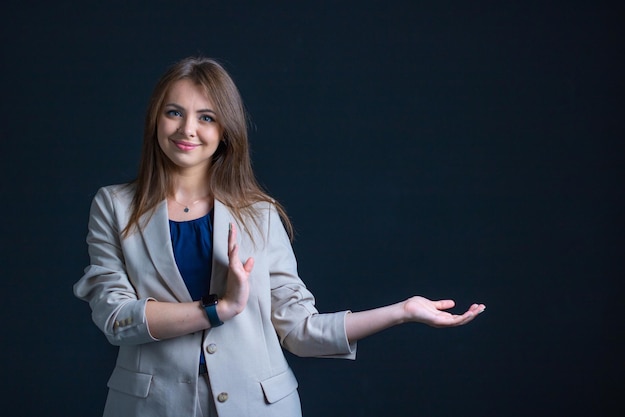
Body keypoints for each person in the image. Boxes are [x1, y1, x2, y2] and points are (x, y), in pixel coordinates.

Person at [74, 56, 486, 417]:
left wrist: (403, 311)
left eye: (206, 117)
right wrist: (219, 308)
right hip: (150, 407)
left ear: (225, 131)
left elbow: (300, 330)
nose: (187, 129)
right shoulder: (114, 206)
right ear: (155, 118)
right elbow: (116, 318)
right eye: (173, 112)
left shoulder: (260, 213)